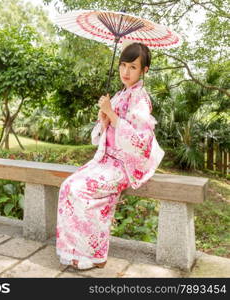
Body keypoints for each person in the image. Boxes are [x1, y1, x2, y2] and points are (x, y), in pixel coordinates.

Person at [55, 42, 165, 270]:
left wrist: (113, 116)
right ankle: (73, 250)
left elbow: (141, 141)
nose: (125, 72)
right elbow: (103, 133)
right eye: (123, 65)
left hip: (125, 164)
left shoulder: (141, 99)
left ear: (144, 70)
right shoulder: (120, 94)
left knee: (81, 189)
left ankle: (95, 254)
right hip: (107, 159)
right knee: (67, 186)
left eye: (133, 67)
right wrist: (104, 121)